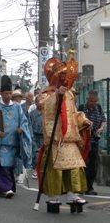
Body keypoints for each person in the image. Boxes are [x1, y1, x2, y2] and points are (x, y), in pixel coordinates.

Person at [37, 54, 92, 206]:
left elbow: (73, 112)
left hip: (70, 137)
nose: (63, 77)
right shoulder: (46, 94)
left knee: (75, 167)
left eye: (65, 74)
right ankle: (53, 196)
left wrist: (83, 119)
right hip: (56, 138)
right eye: (61, 74)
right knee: (56, 169)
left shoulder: (69, 93)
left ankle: (72, 194)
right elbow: (44, 108)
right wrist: (56, 95)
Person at [0, 75, 32, 198]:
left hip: (14, 142)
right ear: (1, 93)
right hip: (1, 143)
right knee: (3, 165)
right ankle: (5, 188)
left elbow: (24, 121)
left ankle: (4, 187)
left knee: (10, 166)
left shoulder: (17, 107)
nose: (8, 95)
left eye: (10, 93)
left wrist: (22, 128)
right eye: (5, 93)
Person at [78, 90, 106, 195]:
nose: (93, 103)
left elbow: (103, 120)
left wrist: (101, 128)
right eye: (91, 101)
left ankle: (89, 187)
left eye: (95, 101)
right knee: (84, 164)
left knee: (93, 165)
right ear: (87, 99)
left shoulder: (98, 108)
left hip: (94, 141)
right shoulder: (81, 108)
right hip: (83, 141)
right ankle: (81, 186)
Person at [29, 95, 43, 179]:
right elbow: (29, 125)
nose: (40, 103)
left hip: (43, 136)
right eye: (38, 101)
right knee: (34, 153)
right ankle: (35, 169)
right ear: (36, 103)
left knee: (42, 154)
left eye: (42, 101)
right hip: (34, 135)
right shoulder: (32, 113)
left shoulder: (46, 113)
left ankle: (40, 170)